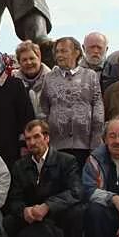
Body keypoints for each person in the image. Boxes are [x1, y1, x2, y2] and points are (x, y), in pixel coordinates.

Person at [4, 120, 87, 237]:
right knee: (9, 221)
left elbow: (76, 192)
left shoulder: (67, 161)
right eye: (28, 139)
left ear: (47, 138)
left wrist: (48, 206)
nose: (32, 142)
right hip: (33, 216)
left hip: (57, 212)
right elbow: (14, 199)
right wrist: (24, 211)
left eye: (36, 137)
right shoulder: (19, 166)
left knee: (77, 212)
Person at [38, 37, 103, 170]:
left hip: (84, 145)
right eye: (57, 52)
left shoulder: (90, 76)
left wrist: (96, 142)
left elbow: (98, 108)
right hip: (57, 146)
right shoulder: (49, 78)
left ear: (77, 52)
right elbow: (43, 110)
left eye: (64, 51)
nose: (59, 55)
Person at [13, 40, 50, 117]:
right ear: (19, 63)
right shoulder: (13, 83)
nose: (29, 62)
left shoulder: (53, 80)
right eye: (24, 60)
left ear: (39, 58)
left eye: (32, 58)